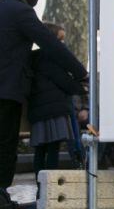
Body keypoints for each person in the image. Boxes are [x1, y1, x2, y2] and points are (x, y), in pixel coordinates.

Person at [0, 0, 88, 209]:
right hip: (7, 90)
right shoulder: (21, 12)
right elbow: (49, 43)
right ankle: (1, 197)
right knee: (5, 144)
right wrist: (80, 72)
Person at [28, 23, 87, 179]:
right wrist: (82, 87)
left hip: (37, 111)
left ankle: (39, 183)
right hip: (55, 110)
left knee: (40, 150)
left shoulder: (33, 58)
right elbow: (64, 82)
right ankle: (50, 184)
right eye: (59, 39)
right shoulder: (53, 58)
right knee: (53, 149)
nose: (62, 43)